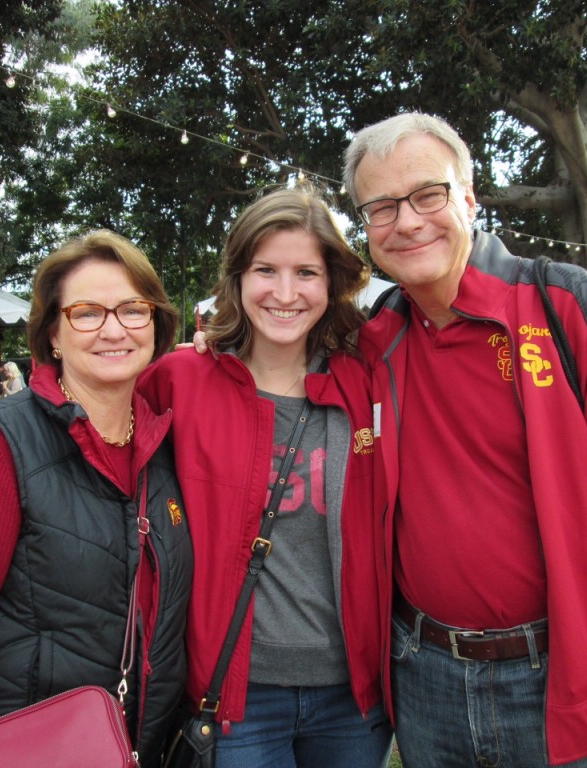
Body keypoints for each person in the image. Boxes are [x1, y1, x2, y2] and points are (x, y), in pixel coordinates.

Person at [342, 113, 587, 767]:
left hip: (564, 679)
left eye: (429, 194)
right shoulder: (376, 340)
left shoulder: (562, 304)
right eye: (382, 207)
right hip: (424, 680)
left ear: (469, 199)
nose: (407, 221)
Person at [0, 230, 192, 768]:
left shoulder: (164, 447)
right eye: (87, 313)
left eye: (133, 310)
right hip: (32, 748)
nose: (114, 329)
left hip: (139, 748)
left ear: (156, 325)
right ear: (52, 333)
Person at [141, 189, 392, 768]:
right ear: (237, 278)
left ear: (331, 283)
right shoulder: (180, 380)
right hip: (234, 695)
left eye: (305, 272)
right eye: (265, 271)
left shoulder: (368, 381)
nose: (285, 293)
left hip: (351, 698)